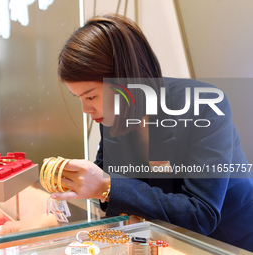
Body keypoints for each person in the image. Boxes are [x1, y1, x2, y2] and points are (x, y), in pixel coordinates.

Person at [50, 14, 253, 251]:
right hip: (167, 242)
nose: (86, 109)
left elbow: (201, 214)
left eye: (91, 96)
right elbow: (113, 194)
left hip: (231, 243)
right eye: (79, 99)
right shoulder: (113, 115)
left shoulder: (205, 106)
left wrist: (106, 186)